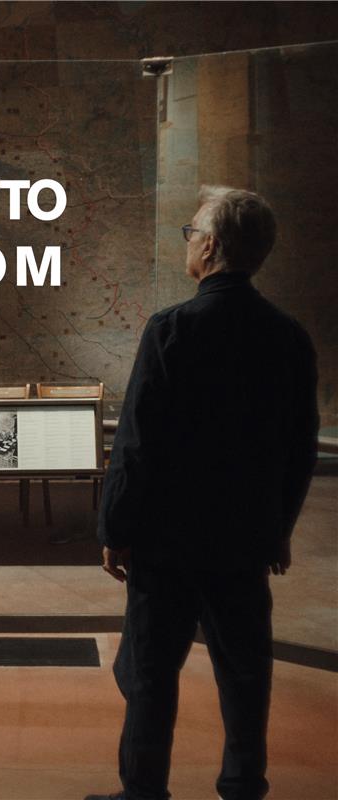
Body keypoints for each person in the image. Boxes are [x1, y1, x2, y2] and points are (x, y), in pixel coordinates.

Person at [85, 186, 319, 800]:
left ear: (211, 246)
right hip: (244, 542)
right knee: (246, 675)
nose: (187, 242)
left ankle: (144, 792)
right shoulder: (289, 337)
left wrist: (115, 529)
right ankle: (243, 786)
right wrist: (278, 530)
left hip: (167, 542)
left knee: (151, 675)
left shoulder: (172, 329)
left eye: (191, 233)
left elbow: (137, 444)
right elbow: (300, 450)